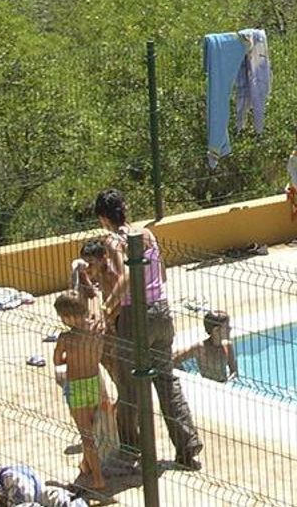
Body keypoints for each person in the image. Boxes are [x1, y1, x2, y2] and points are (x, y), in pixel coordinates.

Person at [93, 188, 203, 470]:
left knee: (129, 384)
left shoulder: (114, 241)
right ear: (125, 208)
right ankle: (187, 445)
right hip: (161, 310)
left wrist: (108, 308)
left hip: (135, 315)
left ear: (104, 218)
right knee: (166, 379)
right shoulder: (148, 234)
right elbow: (162, 273)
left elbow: (126, 275)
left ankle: (130, 449)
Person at [53, 290, 111, 491]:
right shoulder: (97, 331)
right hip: (94, 383)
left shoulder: (65, 338)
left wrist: (72, 358)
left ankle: (98, 479)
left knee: (86, 435)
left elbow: (57, 360)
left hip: (76, 387)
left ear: (67, 317)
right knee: (94, 428)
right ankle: (87, 465)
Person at [173, 310, 239, 383]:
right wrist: (185, 377)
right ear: (216, 330)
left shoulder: (228, 346)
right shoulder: (201, 348)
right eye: (226, 327)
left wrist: (229, 382)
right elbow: (173, 358)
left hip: (223, 386)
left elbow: (234, 371)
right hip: (207, 386)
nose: (230, 328)